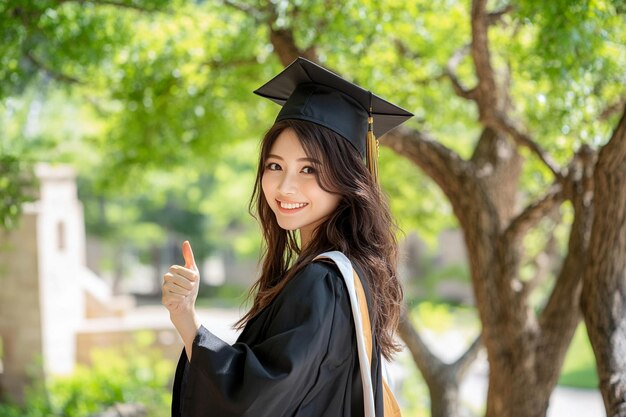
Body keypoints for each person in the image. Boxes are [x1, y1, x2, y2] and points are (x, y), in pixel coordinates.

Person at [162, 57, 413, 417]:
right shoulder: (352, 270)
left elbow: (256, 402)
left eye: (309, 169)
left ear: (348, 178)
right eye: (275, 166)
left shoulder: (324, 280)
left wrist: (186, 320)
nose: (285, 187)